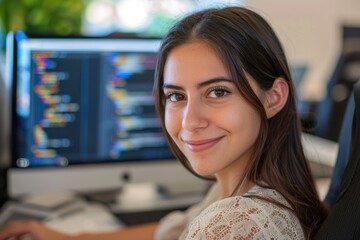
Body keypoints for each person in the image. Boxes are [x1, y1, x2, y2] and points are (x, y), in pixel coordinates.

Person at [0, 6, 327, 240]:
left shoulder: (233, 224)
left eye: (217, 91)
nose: (189, 122)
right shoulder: (238, 190)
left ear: (273, 97)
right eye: (175, 96)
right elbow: (170, 231)